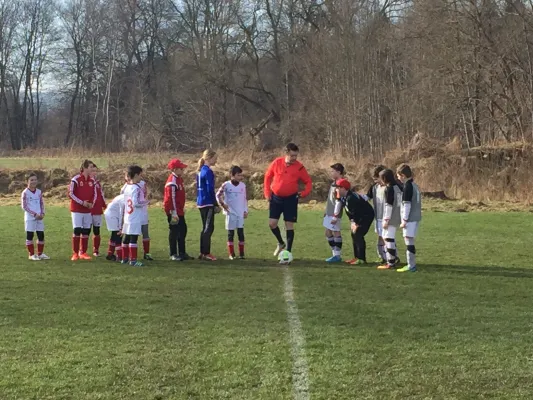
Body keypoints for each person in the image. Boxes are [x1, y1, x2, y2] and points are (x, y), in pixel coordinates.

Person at [264, 143, 312, 261]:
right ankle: (281, 243)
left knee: (289, 225)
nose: (294, 158)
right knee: (272, 223)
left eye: (296, 156)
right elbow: (267, 177)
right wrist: (267, 193)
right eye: (292, 156)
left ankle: (288, 252)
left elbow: (308, 182)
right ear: (286, 153)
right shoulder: (276, 163)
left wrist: (304, 193)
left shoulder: (300, 167)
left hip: (291, 199)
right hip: (276, 198)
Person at [335, 179, 374, 265]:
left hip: (366, 216)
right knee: (354, 234)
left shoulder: (351, 198)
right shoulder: (344, 197)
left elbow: (356, 212)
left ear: (343, 188)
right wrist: (352, 222)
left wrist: (355, 223)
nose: (336, 190)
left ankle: (362, 259)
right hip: (359, 217)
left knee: (358, 234)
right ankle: (356, 257)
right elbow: (350, 212)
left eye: (338, 188)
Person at [216, 165, 249, 260]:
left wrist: (245, 210)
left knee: (241, 233)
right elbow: (218, 195)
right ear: (232, 175)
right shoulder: (226, 185)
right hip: (231, 213)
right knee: (231, 234)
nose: (241, 177)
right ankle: (231, 254)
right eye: (238, 175)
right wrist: (223, 205)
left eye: (241, 175)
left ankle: (241, 254)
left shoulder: (243, 185)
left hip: (240, 213)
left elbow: (244, 199)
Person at [164, 159, 193, 261]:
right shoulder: (172, 181)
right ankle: (173, 253)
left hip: (179, 210)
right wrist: (174, 212)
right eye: (181, 169)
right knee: (174, 231)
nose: (183, 170)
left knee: (182, 230)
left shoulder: (179, 179)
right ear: (175, 169)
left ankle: (182, 252)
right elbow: (170, 198)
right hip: (173, 211)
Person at [69, 160, 97, 261]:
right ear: (85, 168)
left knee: (86, 231)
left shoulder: (92, 180)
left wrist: (91, 203)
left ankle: (83, 252)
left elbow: (95, 194)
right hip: (77, 210)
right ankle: (75, 253)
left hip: (87, 210)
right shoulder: (75, 179)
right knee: (77, 230)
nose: (92, 169)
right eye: (90, 167)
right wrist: (82, 203)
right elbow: (71, 194)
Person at [396, 164, 422, 272]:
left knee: (408, 240)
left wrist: (404, 220)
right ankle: (411, 265)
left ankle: (411, 265)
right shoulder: (415, 185)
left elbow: (407, 204)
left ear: (402, 175)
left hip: (410, 219)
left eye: (398, 176)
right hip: (416, 217)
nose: (398, 178)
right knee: (410, 240)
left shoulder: (407, 186)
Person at [122, 165, 148, 267]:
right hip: (135, 217)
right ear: (136, 175)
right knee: (133, 238)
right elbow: (136, 203)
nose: (141, 177)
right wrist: (146, 202)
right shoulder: (136, 188)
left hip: (127, 216)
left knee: (127, 237)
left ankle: (124, 258)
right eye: (140, 175)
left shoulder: (127, 187)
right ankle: (133, 260)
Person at [196, 149, 220, 261]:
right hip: (207, 202)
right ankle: (206, 253)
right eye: (215, 158)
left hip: (201, 201)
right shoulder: (208, 171)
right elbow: (210, 188)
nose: (216, 160)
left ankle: (202, 252)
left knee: (205, 227)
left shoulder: (200, 170)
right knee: (208, 227)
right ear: (209, 158)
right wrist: (215, 203)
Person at [377, 168, 402, 270]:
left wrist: (386, 219)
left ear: (384, 178)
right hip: (398, 213)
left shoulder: (389, 188)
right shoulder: (399, 186)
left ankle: (391, 262)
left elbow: (388, 205)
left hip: (391, 216)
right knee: (387, 237)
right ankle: (392, 259)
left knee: (388, 238)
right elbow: (400, 202)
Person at [21, 173, 49, 261]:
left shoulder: (39, 192)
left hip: (39, 217)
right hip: (30, 218)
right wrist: (34, 214)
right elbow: (24, 206)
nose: (34, 181)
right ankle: (31, 254)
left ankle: (40, 254)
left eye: (35, 180)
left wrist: (42, 213)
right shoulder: (25, 193)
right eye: (31, 180)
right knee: (30, 235)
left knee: (41, 235)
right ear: (27, 181)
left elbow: (41, 203)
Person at [362, 165, 387, 263]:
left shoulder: (389, 187)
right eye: (374, 180)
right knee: (380, 236)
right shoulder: (374, 187)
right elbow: (367, 197)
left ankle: (391, 256)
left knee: (387, 237)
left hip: (386, 217)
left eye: (377, 179)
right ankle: (382, 256)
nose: (376, 181)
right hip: (378, 217)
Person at [324, 163, 345, 263]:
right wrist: (326, 211)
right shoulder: (334, 183)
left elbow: (338, 201)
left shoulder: (340, 184)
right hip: (329, 212)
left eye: (333, 171)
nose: (331, 173)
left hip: (334, 214)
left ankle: (337, 255)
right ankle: (335, 253)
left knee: (336, 232)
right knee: (328, 232)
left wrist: (335, 216)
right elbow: (330, 199)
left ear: (339, 172)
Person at [90, 166, 106, 257]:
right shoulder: (87, 182)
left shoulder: (98, 183)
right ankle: (81, 250)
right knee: (86, 230)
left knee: (96, 230)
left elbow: (101, 195)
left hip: (97, 210)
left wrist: (104, 205)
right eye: (92, 171)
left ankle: (96, 250)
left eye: (95, 171)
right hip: (88, 210)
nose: (94, 173)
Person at [104, 194, 125, 262]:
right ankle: (120, 257)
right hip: (113, 215)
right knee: (118, 235)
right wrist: (121, 227)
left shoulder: (122, 196)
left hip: (111, 213)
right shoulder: (124, 199)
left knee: (114, 234)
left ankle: (110, 254)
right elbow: (122, 214)